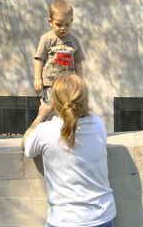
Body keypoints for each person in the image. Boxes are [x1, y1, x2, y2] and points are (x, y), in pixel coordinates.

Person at [22, 73, 116, 227]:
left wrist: (40, 116)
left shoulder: (46, 130)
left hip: (64, 220)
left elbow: (26, 145)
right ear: (84, 97)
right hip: (103, 216)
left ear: (54, 100)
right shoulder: (98, 124)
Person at [34, 0, 85, 104]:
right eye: (59, 24)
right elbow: (39, 60)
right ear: (50, 22)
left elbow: (78, 61)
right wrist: (37, 79)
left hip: (69, 83)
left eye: (67, 24)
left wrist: (80, 80)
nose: (63, 28)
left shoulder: (74, 40)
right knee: (50, 107)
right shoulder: (47, 39)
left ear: (72, 21)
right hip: (50, 83)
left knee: (68, 108)